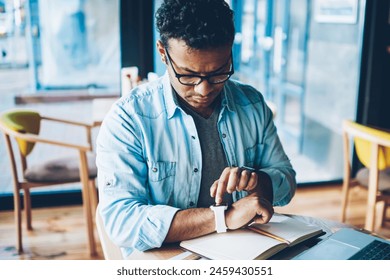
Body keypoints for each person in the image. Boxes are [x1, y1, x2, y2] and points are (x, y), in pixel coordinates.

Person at [96, 0, 296, 259]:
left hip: (245, 252)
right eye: (188, 76)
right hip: (167, 261)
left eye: (219, 73)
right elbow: (122, 221)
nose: (204, 90)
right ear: (162, 53)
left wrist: (260, 182)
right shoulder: (128, 119)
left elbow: (286, 178)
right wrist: (224, 217)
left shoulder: (252, 104)